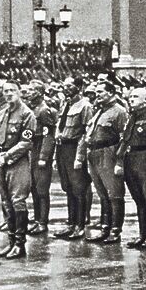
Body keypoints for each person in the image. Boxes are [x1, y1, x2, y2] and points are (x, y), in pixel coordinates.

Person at [0, 81, 37, 259]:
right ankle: (10, 242)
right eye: (5, 91)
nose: (8, 94)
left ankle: (19, 244)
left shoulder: (27, 114)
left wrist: (6, 156)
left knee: (18, 201)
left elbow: (26, 142)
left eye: (12, 90)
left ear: (19, 92)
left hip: (17, 163)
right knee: (5, 202)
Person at [78, 79, 128, 244]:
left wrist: (119, 161)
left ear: (111, 93)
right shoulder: (98, 111)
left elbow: (124, 139)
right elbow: (87, 135)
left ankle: (115, 230)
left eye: (100, 92)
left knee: (114, 194)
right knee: (102, 194)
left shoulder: (119, 112)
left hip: (109, 154)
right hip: (94, 154)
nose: (96, 95)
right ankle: (105, 227)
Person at [116, 87, 146, 249]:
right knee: (139, 200)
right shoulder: (132, 117)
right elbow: (125, 140)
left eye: (136, 97)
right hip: (131, 161)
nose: (131, 99)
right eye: (130, 97)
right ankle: (141, 235)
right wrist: (119, 161)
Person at [53, 78, 94, 239]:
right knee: (68, 187)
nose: (66, 88)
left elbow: (85, 133)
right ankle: (71, 223)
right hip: (62, 148)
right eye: (65, 85)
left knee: (79, 188)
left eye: (70, 86)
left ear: (79, 87)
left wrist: (80, 156)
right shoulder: (66, 104)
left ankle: (80, 225)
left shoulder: (85, 106)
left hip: (74, 148)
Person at [26, 80, 57, 236]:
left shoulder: (44, 111)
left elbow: (49, 135)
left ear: (39, 92)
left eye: (31, 90)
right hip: (32, 149)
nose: (28, 92)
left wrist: (44, 156)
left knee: (41, 189)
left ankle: (43, 222)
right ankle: (37, 219)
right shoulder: (32, 109)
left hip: (40, 149)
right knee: (33, 188)